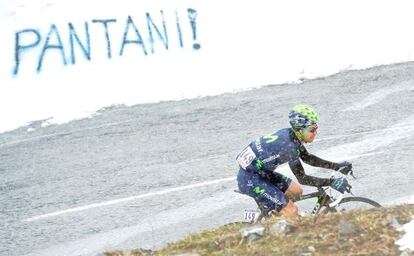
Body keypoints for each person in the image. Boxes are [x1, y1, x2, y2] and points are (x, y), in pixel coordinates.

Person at [236, 104, 353, 217]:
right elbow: (303, 178)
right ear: (300, 130)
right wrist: (331, 182)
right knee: (292, 211)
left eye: (316, 129)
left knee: (296, 191)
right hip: (250, 179)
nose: (315, 133)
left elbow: (307, 158)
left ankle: (275, 214)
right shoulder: (289, 147)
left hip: (261, 172)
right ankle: (280, 227)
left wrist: (336, 166)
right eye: (312, 130)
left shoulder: (291, 135)